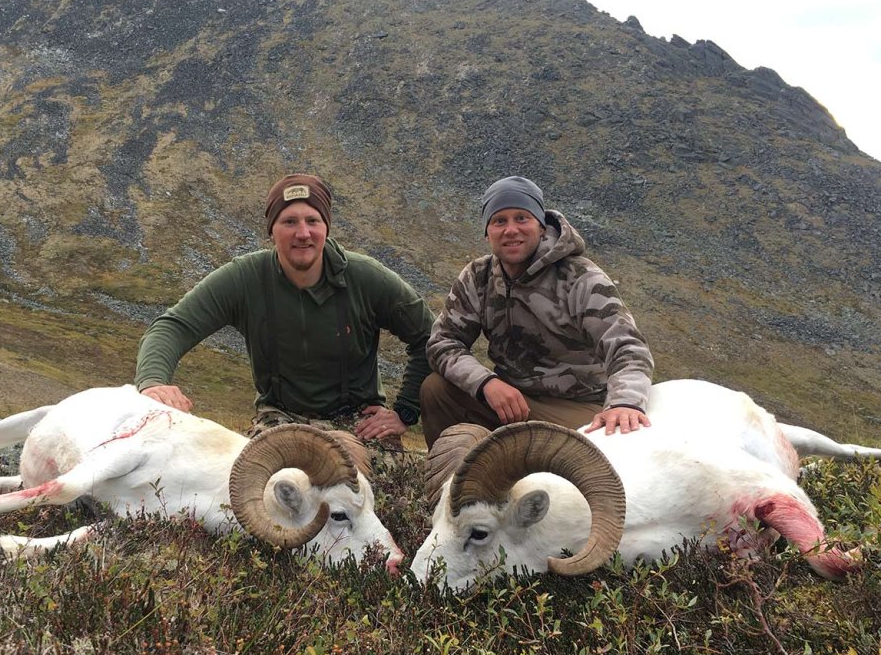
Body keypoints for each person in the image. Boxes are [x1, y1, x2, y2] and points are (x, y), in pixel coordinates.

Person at [136, 173, 435, 446]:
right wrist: (153, 383)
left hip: (360, 422)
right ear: (272, 231)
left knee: (366, 489)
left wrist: (404, 412)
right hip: (278, 419)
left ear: (326, 227)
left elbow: (429, 337)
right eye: (289, 222)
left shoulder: (365, 277)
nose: (303, 233)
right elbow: (173, 326)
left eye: (313, 221)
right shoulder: (245, 278)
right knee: (258, 487)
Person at [421, 175, 654, 449]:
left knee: (590, 450)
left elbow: (628, 347)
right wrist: (486, 383)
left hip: (576, 407)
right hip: (513, 399)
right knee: (436, 390)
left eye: (522, 218)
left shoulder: (579, 277)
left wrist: (624, 403)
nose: (511, 230)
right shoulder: (478, 276)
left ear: (541, 227)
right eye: (499, 221)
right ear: (487, 232)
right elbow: (443, 342)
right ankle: (453, 484)